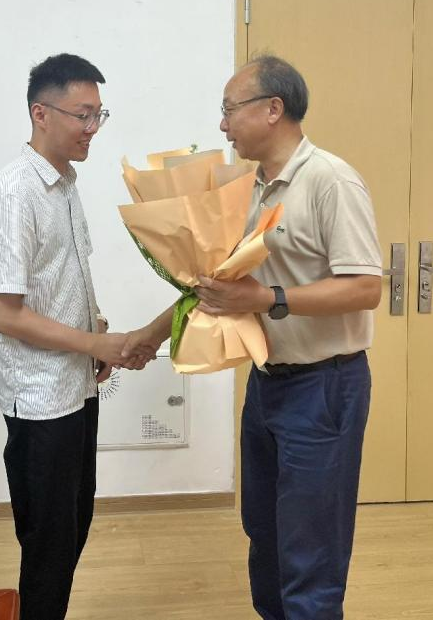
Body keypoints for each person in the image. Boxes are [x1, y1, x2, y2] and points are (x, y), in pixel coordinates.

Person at [124, 55, 382, 620]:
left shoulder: (330, 180)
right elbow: (218, 286)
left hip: (325, 387)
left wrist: (270, 300)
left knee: (311, 549)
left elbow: (365, 288)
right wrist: (148, 336)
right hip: (267, 385)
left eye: (229, 109)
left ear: (273, 109)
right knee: (264, 535)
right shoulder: (251, 188)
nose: (222, 125)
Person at [0, 53, 152, 620]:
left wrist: (93, 325)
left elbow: (65, 275)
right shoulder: (14, 193)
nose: (92, 127)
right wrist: (96, 345)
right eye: (83, 114)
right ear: (41, 113)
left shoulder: (66, 184)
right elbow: (7, 314)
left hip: (75, 386)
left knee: (75, 521)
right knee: (48, 543)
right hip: (40, 400)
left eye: (99, 114)